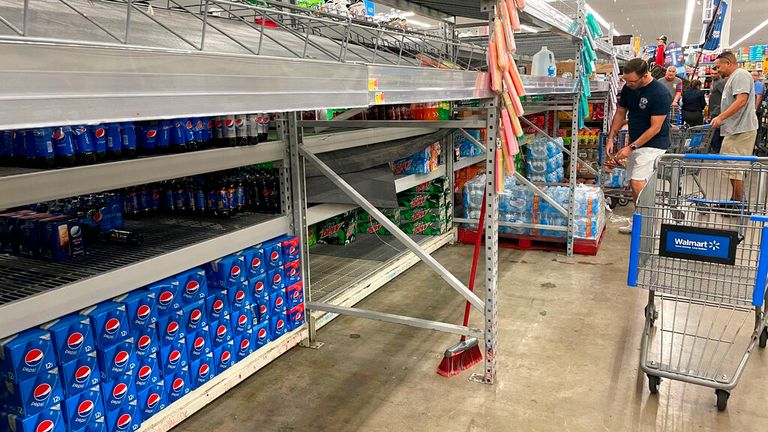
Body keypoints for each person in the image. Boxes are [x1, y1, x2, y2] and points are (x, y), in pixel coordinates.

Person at [607, 58, 672, 233]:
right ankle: (640, 223)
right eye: (625, 80)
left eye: (632, 81)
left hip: (654, 144)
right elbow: (621, 112)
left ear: (645, 76)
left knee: (637, 183)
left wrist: (631, 147)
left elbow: (655, 127)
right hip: (636, 141)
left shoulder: (660, 93)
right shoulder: (629, 88)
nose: (628, 84)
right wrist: (611, 136)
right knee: (635, 184)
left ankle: (647, 225)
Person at [710, 51, 758, 203]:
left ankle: (738, 202)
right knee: (732, 168)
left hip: (742, 129)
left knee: (735, 167)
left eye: (718, 67)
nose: (717, 71)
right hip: (735, 129)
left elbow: (741, 100)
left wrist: (720, 117)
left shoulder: (740, 75)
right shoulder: (733, 78)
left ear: (728, 63)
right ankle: (735, 200)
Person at [708, 68, 726, 153]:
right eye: (711, 73)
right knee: (715, 130)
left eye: (715, 73)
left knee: (716, 130)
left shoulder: (721, 82)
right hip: (714, 109)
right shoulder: (713, 82)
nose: (713, 75)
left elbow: (725, 96)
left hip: (718, 110)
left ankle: (717, 149)